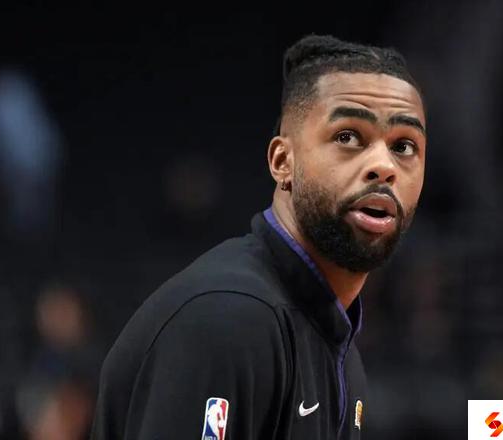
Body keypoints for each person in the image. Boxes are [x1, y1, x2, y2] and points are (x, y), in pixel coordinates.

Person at [91, 34, 426, 440]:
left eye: (404, 146)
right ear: (282, 161)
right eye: (348, 137)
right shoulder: (228, 319)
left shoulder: (338, 348)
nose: (383, 166)